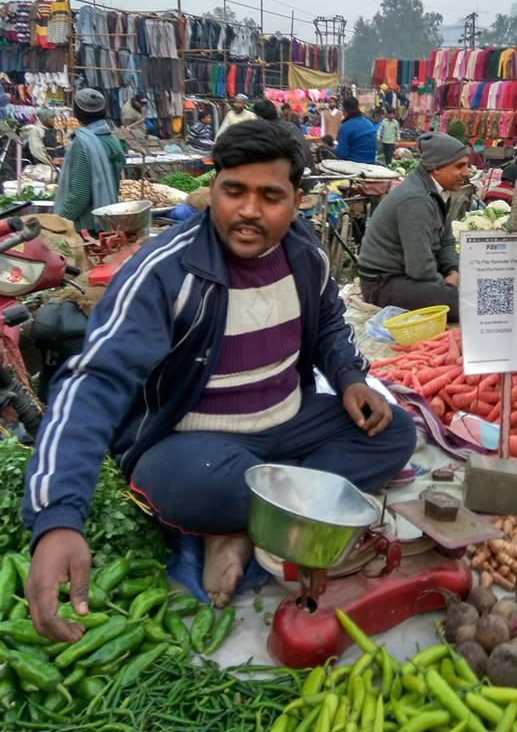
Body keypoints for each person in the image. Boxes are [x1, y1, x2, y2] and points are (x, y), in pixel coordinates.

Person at [22, 122, 416, 639]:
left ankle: (246, 523)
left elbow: (329, 327)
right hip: (194, 443)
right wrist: (57, 516)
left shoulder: (305, 256)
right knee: (201, 483)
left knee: (394, 433)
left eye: (270, 196)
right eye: (234, 191)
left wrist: (348, 379)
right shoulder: (165, 272)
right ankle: (254, 518)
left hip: (286, 420)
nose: (249, 210)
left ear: (296, 200)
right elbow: (93, 383)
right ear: (213, 188)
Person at [358, 132, 470, 323]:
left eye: (467, 165)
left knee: (474, 288)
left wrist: (453, 272)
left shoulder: (439, 192)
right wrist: (446, 290)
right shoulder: (415, 200)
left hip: (411, 275)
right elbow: (420, 268)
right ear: (435, 168)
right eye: (459, 166)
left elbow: (447, 241)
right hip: (382, 283)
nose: (467, 172)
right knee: (468, 305)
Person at [53, 89, 124, 232]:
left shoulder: (82, 144)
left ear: (77, 113)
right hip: (108, 218)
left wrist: (58, 222)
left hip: (86, 227)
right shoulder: (112, 139)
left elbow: (80, 195)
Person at [254, 98, 314, 171]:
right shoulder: (290, 126)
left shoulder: (271, 131)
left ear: (259, 117)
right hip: (307, 172)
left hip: (297, 176)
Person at [336, 97, 378, 165]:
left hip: (354, 165)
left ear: (344, 110)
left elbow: (341, 153)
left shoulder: (346, 126)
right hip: (371, 163)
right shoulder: (369, 123)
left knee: (323, 148)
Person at [23, 109, 62, 179]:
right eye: (52, 117)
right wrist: (51, 162)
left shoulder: (56, 129)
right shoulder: (36, 131)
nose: (54, 119)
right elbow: (37, 150)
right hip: (45, 168)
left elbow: (64, 144)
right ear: (45, 119)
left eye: (54, 117)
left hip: (59, 166)